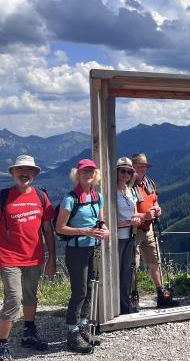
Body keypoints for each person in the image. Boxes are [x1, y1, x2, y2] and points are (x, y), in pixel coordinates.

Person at [0, 155, 56, 361]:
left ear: (34, 174)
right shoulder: (3, 197)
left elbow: (48, 230)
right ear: (13, 173)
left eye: (29, 170)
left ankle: (28, 333)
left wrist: (51, 259)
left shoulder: (41, 196)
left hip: (35, 257)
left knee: (31, 296)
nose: (24, 173)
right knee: (14, 299)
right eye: (20, 170)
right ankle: (2, 343)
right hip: (8, 257)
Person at [55, 159, 109, 353]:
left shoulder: (97, 196)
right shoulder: (71, 198)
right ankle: (72, 333)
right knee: (79, 291)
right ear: (77, 175)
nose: (88, 175)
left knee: (89, 288)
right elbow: (60, 227)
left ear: (96, 175)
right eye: (84, 172)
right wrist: (84, 231)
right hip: (76, 250)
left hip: (93, 248)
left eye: (91, 172)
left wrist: (105, 231)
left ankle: (83, 327)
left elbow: (100, 221)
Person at [132, 153, 177, 308]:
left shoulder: (150, 184)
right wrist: (144, 215)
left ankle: (161, 295)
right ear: (132, 167)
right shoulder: (127, 187)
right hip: (134, 230)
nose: (140, 169)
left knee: (155, 262)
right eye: (137, 166)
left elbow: (155, 201)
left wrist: (157, 209)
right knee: (134, 265)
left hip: (149, 228)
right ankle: (133, 297)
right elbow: (124, 213)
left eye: (143, 166)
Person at [116, 157, 142, 315]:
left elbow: (134, 213)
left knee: (127, 272)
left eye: (129, 171)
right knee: (117, 272)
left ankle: (125, 307)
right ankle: (114, 307)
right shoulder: (110, 191)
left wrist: (140, 216)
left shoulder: (130, 190)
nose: (126, 174)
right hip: (117, 237)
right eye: (122, 170)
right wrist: (129, 222)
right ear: (116, 172)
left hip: (130, 236)